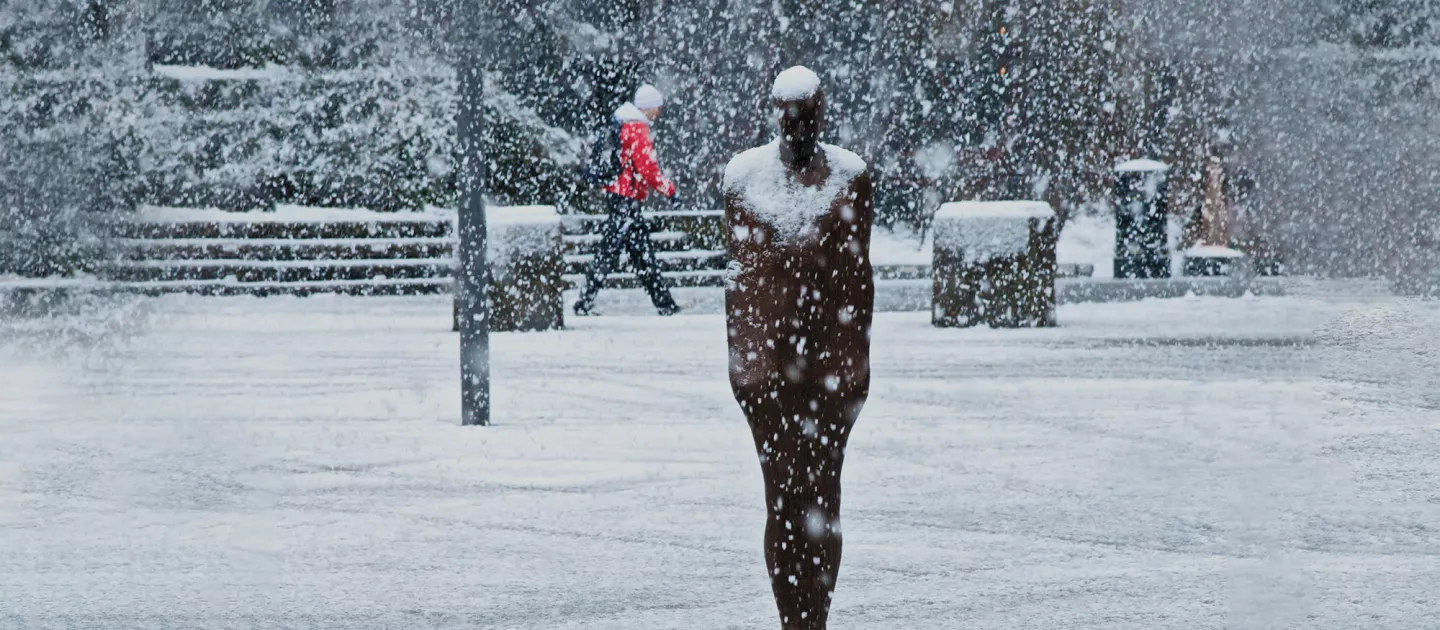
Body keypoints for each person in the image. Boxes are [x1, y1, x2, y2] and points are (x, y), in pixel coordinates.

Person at [721, 66, 874, 630]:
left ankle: (816, 618)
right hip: (769, 380)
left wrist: (851, 379)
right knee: (783, 502)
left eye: (808, 116)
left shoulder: (849, 179)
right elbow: (743, 286)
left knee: (822, 501)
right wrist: (748, 377)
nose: (799, 128)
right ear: (776, 115)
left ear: (821, 112)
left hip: (829, 377)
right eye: (791, 117)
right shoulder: (744, 182)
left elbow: (857, 286)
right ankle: (794, 618)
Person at [574, 84, 683, 317]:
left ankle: (664, 303)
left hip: (620, 197)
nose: (659, 113)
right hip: (626, 199)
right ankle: (585, 302)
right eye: (657, 107)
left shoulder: (624, 125)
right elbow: (648, 169)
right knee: (616, 252)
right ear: (648, 107)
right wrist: (670, 191)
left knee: (637, 253)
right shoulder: (636, 129)